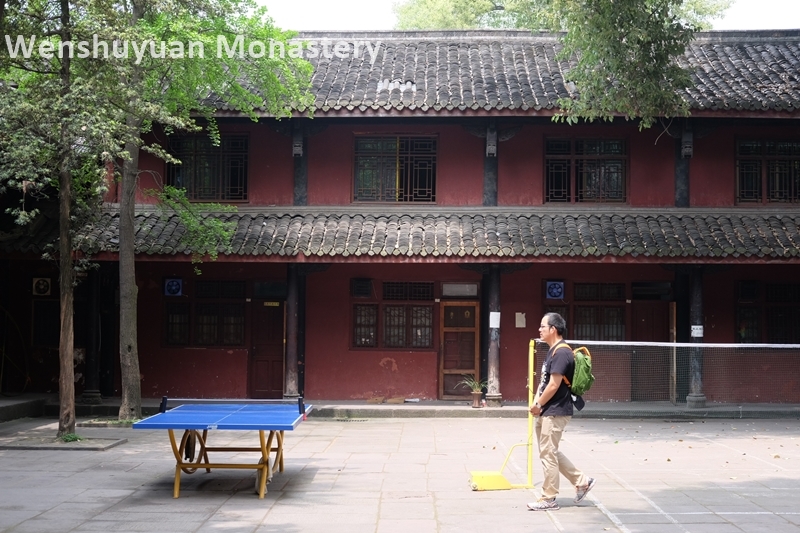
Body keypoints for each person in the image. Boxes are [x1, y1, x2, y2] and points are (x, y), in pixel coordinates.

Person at [527, 312, 596, 511]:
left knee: (548, 454)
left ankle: (549, 497)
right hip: (548, 410)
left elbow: (554, 385)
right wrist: (537, 404)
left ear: (553, 329)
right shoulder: (552, 351)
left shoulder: (562, 353)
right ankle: (582, 481)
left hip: (555, 411)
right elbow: (544, 382)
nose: (539, 330)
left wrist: (538, 404)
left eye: (542, 326)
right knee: (550, 452)